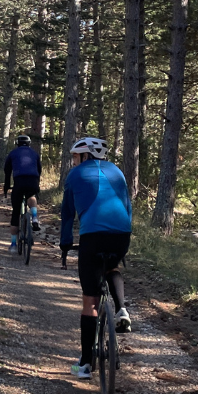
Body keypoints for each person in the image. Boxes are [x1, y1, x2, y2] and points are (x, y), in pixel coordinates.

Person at [59, 135, 133, 379]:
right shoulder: (117, 172)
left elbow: (67, 213)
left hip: (92, 235)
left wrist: (65, 243)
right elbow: (127, 206)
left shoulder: (75, 174)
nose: (73, 161)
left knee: (90, 301)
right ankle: (122, 309)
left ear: (85, 155)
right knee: (112, 265)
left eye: (75, 157)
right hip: (122, 234)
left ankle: (85, 365)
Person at [3, 134, 41, 252]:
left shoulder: (13, 153)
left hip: (19, 182)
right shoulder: (34, 153)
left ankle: (13, 245)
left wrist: (6, 186)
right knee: (31, 195)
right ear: (29, 144)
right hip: (33, 181)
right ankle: (34, 217)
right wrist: (37, 185)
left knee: (15, 213)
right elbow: (39, 170)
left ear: (17, 144)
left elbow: (7, 171)